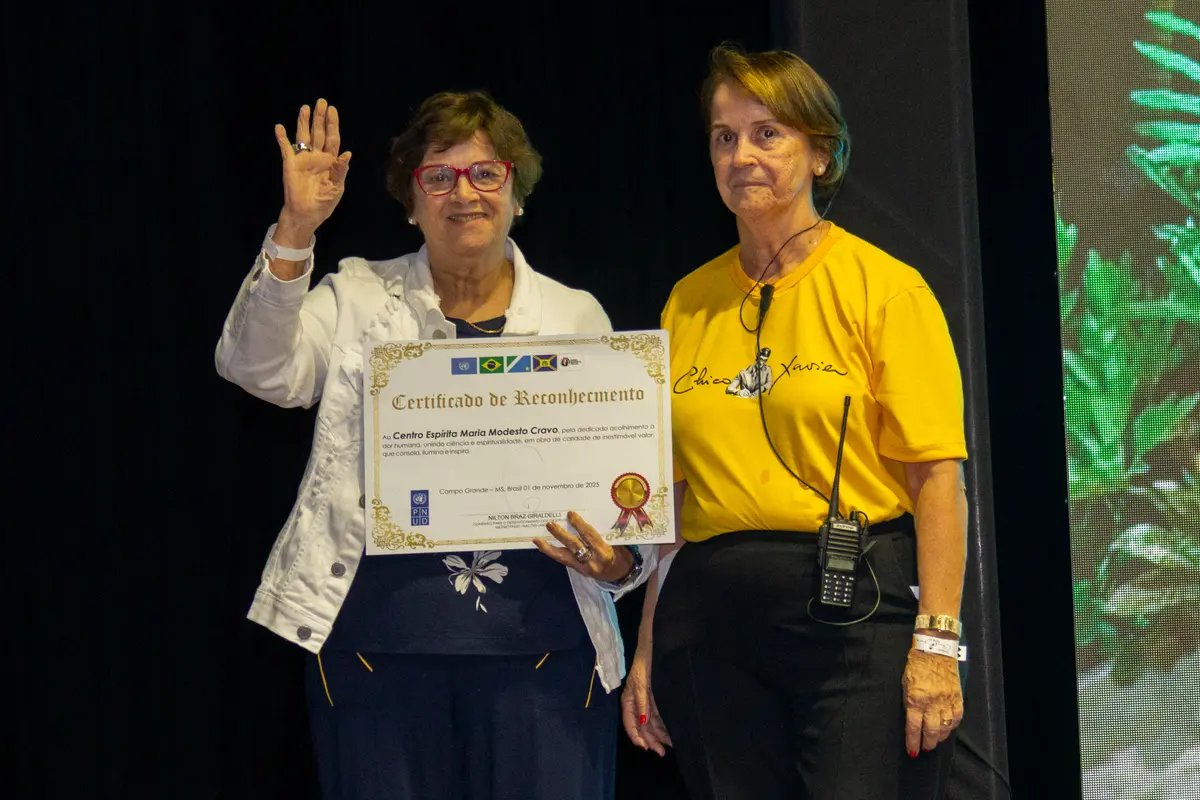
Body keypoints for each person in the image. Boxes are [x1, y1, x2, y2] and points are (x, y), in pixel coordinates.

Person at [214, 91, 654, 800]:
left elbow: (620, 494)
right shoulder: (359, 296)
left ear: (517, 194)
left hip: (546, 659)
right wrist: (295, 230)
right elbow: (256, 368)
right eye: (439, 176)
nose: (464, 193)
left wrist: (618, 562)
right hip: (374, 657)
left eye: (486, 173)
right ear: (411, 202)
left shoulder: (575, 315)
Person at [620, 45, 970, 799]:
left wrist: (939, 645)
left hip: (853, 615)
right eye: (724, 137)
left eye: (767, 133)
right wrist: (645, 645)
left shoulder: (887, 289)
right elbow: (674, 503)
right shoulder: (687, 301)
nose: (741, 155)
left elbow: (938, 480)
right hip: (707, 630)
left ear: (820, 153)